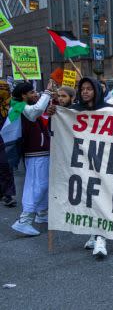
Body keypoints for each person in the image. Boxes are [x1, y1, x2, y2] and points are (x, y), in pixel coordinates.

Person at [68, 77, 113, 258]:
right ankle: (94, 233)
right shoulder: (72, 111)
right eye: (82, 88)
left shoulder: (108, 110)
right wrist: (55, 114)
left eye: (89, 88)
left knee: (101, 198)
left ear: (96, 90)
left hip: (105, 163)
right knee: (88, 198)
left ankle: (101, 238)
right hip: (83, 164)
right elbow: (59, 133)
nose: (85, 92)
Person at [10, 81, 54, 236]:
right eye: (32, 92)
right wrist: (47, 93)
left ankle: (42, 213)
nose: (36, 95)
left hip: (40, 151)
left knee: (43, 183)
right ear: (24, 95)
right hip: (35, 152)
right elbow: (35, 111)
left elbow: (39, 115)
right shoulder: (20, 106)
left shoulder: (25, 107)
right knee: (37, 185)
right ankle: (24, 220)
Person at [0, 80, 16, 207]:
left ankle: (8, 195)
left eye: (5, 88)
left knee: (6, 166)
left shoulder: (12, 106)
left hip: (6, 142)